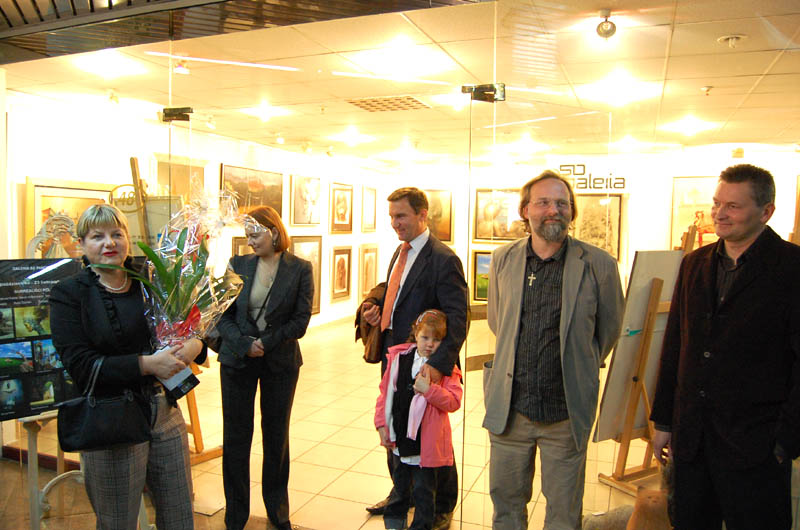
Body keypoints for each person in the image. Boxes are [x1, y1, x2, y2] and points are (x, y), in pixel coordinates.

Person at [650, 164, 800, 529]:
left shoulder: (792, 268)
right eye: (717, 203)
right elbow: (675, 345)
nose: (719, 213)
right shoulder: (694, 264)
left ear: (766, 211)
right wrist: (664, 420)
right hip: (693, 439)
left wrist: (785, 441)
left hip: (756, 443)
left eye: (733, 206)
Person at [482, 171, 624, 530]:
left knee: (563, 514)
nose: (553, 210)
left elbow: (608, 331)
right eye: (543, 202)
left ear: (571, 211)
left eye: (562, 203)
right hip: (510, 410)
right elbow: (499, 321)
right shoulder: (503, 259)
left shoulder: (599, 265)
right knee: (506, 508)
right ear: (525, 210)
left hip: (565, 411)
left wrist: (579, 363)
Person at [50, 203, 206, 530]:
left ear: (127, 238)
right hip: (111, 420)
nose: (109, 243)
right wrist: (148, 365)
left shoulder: (152, 280)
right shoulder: (69, 294)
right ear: (81, 244)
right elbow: (81, 365)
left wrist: (195, 345)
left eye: (116, 234)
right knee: (118, 521)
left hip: (164, 412)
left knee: (180, 514)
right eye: (97, 236)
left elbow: (191, 324)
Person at [361, 187, 468, 530]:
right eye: (391, 216)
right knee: (396, 425)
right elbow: (398, 292)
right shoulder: (400, 251)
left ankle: (441, 505)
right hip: (396, 357)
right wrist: (376, 307)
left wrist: (436, 367)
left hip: (427, 362)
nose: (394, 223)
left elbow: (458, 318)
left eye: (401, 216)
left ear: (422, 215)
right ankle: (401, 494)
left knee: (432, 436)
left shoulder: (444, 259)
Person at [216, 205, 313, 530]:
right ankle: (236, 515)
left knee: (276, 437)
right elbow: (222, 315)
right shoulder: (238, 265)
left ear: (273, 231)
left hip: (280, 361)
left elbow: (300, 320)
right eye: (247, 235)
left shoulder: (300, 269)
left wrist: (266, 343)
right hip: (237, 360)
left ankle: (277, 509)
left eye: (255, 234)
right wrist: (244, 343)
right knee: (236, 437)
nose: (250, 241)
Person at [375, 309, 462, 530]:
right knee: (400, 486)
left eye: (437, 340)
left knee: (424, 492)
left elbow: (453, 402)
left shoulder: (447, 369)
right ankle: (394, 523)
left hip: (426, 445)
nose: (430, 344)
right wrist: (381, 424)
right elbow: (385, 393)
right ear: (416, 333)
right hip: (400, 437)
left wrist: (430, 390)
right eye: (425, 337)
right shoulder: (399, 358)